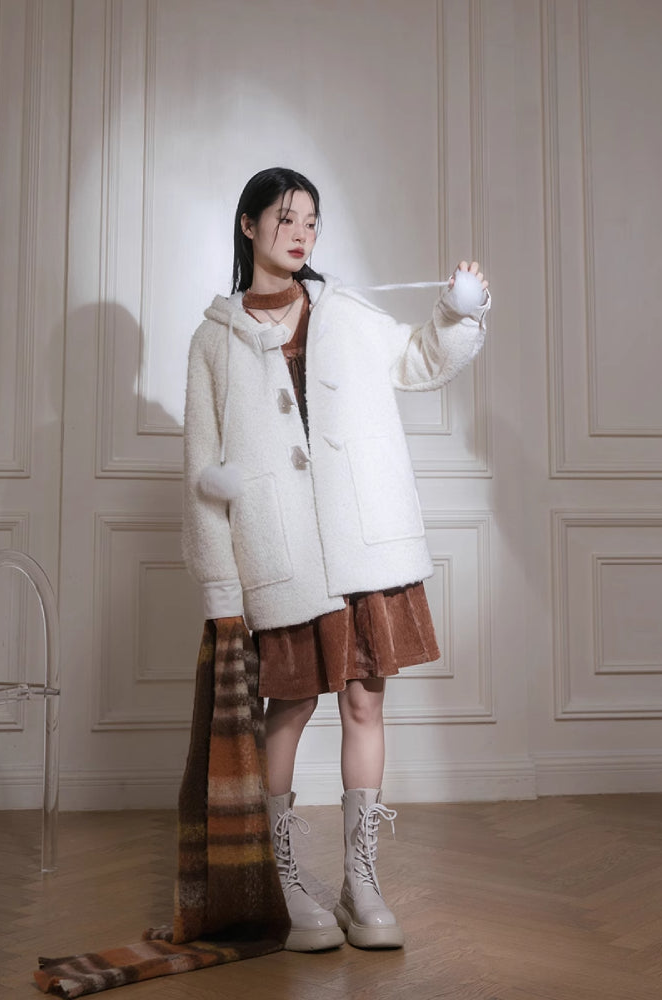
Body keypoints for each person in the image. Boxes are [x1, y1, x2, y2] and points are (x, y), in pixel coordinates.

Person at [183, 166, 490, 953]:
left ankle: (361, 880)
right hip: (284, 552)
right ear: (248, 224)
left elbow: (419, 359)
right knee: (287, 709)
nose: (301, 233)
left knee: (364, 704)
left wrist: (458, 311)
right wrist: (222, 590)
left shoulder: (344, 311)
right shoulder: (213, 339)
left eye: (312, 221)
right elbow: (201, 477)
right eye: (286, 217)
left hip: (362, 541)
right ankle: (282, 879)